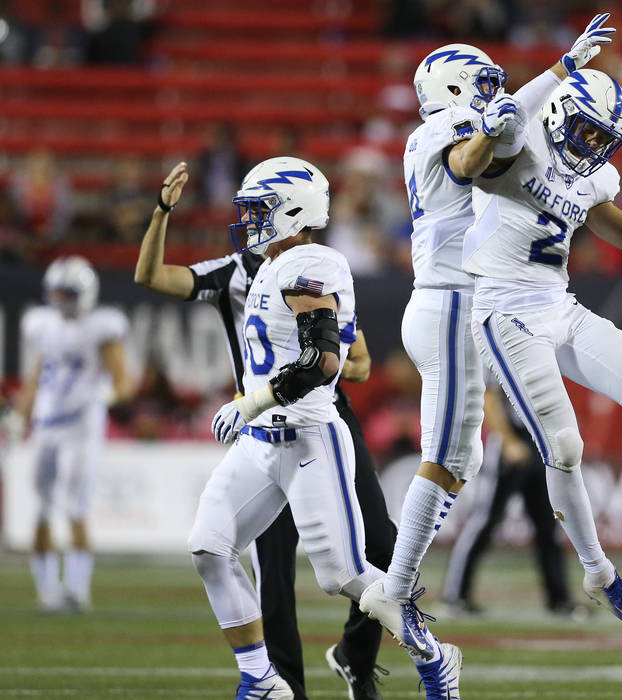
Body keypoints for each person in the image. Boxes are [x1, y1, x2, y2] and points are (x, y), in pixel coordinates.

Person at [362, 14, 617, 643]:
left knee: (467, 456)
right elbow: (471, 160)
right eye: (481, 82)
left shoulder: (449, 126)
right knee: (446, 456)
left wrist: (561, 71)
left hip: (457, 303)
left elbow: (502, 129)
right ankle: (394, 589)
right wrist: (558, 70)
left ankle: (385, 598)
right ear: (452, 88)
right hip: (450, 302)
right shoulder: (443, 131)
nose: (491, 90)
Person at [162, 156, 457, 699]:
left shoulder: (312, 263)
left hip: (307, 440)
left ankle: (436, 658)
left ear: (293, 211)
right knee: (208, 546)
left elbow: (323, 364)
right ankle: (262, 680)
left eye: (260, 210)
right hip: (258, 445)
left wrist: (251, 403)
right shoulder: (271, 267)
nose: (249, 221)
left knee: (343, 576)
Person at [460, 65, 622, 630]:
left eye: (605, 139)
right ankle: (599, 574)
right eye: (587, 132)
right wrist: (498, 120)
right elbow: (470, 167)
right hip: (504, 311)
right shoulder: (522, 138)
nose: (594, 147)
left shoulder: (595, 178)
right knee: (564, 445)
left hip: (558, 303)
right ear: (557, 115)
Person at [15, 255, 135, 612]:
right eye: (57, 292)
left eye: (68, 293)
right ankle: (48, 592)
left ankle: (77, 589)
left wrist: (107, 396)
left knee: (74, 507)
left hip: (81, 425)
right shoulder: (42, 325)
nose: (61, 299)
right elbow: (37, 377)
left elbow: (123, 380)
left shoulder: (102, 326)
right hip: (46, 423)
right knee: (39, 510)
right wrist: (21, 416)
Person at [442, 383, 577, 617]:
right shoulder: (501, 348)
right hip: (510, 442)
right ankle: (455, 595)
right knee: (484, 522)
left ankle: (559, 599)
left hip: (539, 443)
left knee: (547, 525)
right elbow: (490, 397)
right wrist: (507, 440)